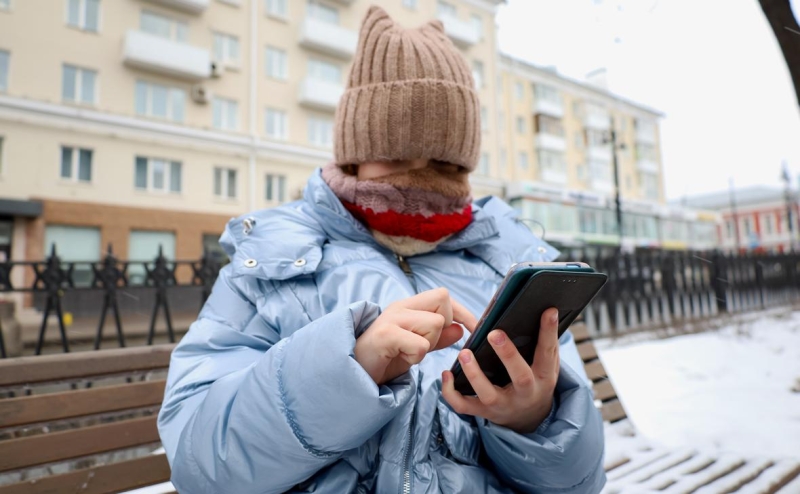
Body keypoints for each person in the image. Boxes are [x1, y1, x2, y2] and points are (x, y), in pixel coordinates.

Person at [158, 6, 605, 493]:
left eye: (445, 164)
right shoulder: (271, 264)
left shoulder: (508, 265)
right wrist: (348, 370)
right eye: (394, 157)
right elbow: (198, 464)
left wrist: (534, 419)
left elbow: (579, 482)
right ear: (354, 153)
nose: (419, 181)